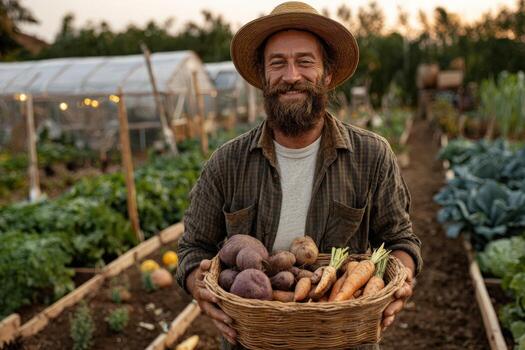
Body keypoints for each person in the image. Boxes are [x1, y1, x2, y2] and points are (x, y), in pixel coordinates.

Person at [175, 2, 422, 349]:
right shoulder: (227, 163)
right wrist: (195, 284)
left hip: (343, 341)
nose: (291, 75)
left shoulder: (371, 156)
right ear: (263, 76)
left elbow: (400, 242)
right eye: (278, 63)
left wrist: (401, 280)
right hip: (251, 340)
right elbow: (192, 248)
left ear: (327, 74)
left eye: (305, 61)